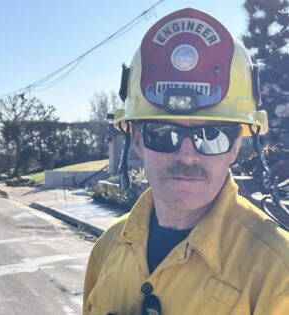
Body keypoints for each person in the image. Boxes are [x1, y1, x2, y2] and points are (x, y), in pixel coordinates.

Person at [83, 8, 288, 315]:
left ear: (237, 145)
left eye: (213, 134)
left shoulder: (278, 271)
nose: (188, 155)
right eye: (163, 133)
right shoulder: (106, 248)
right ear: (137, 140)